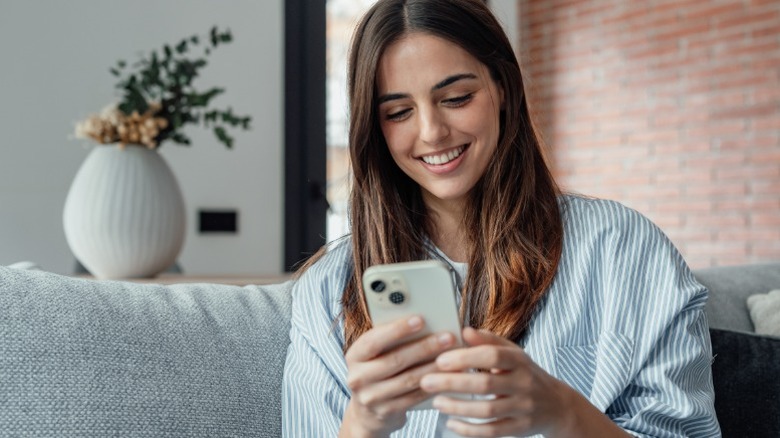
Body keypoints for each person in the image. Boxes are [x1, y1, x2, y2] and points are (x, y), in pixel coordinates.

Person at [282, 0, 721, 436]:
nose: (432, 132)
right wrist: (362, 424)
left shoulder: (623, 249)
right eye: (399, 112)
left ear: (504, 88)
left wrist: (564, 412)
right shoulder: (327, 291)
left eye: (456, 98)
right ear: (375, 130)